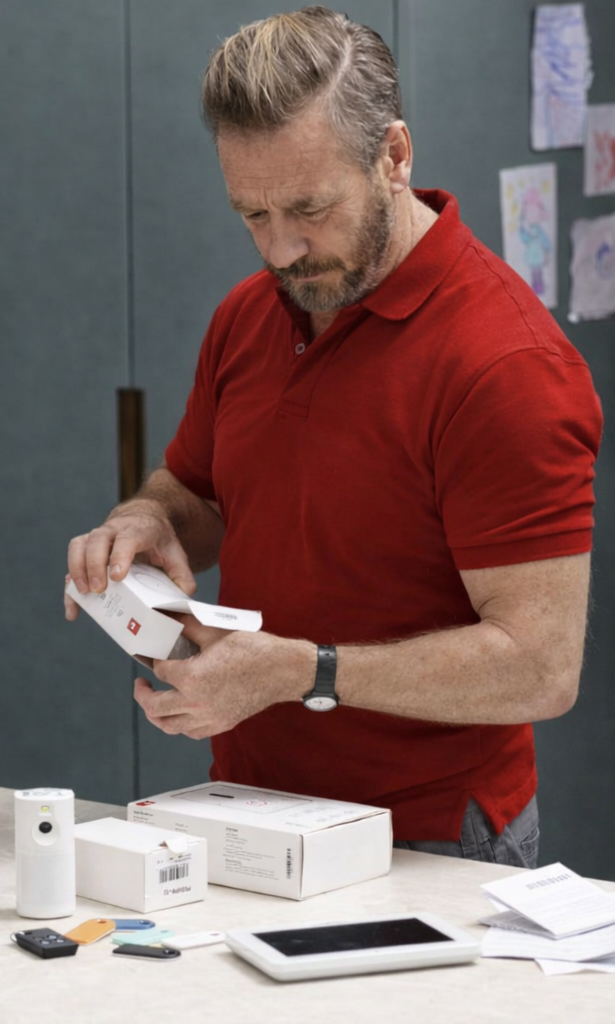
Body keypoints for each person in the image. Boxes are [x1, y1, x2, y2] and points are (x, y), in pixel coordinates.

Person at [65, 7, 602, 868]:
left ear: (394, 156)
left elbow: (541, 668)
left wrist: (300, 672)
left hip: (428, 834)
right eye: (252, 214)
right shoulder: (250, 316)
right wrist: (148, 519)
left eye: (310, 209)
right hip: (247, 803)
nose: (281, 249)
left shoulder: (506, 366)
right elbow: (196, 491)